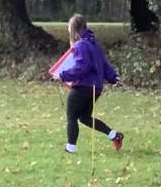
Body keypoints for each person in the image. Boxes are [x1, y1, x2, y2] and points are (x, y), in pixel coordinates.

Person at [52, 14, 123, 155]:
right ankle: (114, 135)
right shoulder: (94, 44)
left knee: (72, 114)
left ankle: (70, 148)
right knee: (84, 117)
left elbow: (81, 67)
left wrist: (62, 75)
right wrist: (113, 78)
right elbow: (104, 64)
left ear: (74, 29)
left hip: (83, 86)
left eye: (69, 29)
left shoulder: (80, 45)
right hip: (96, 88)